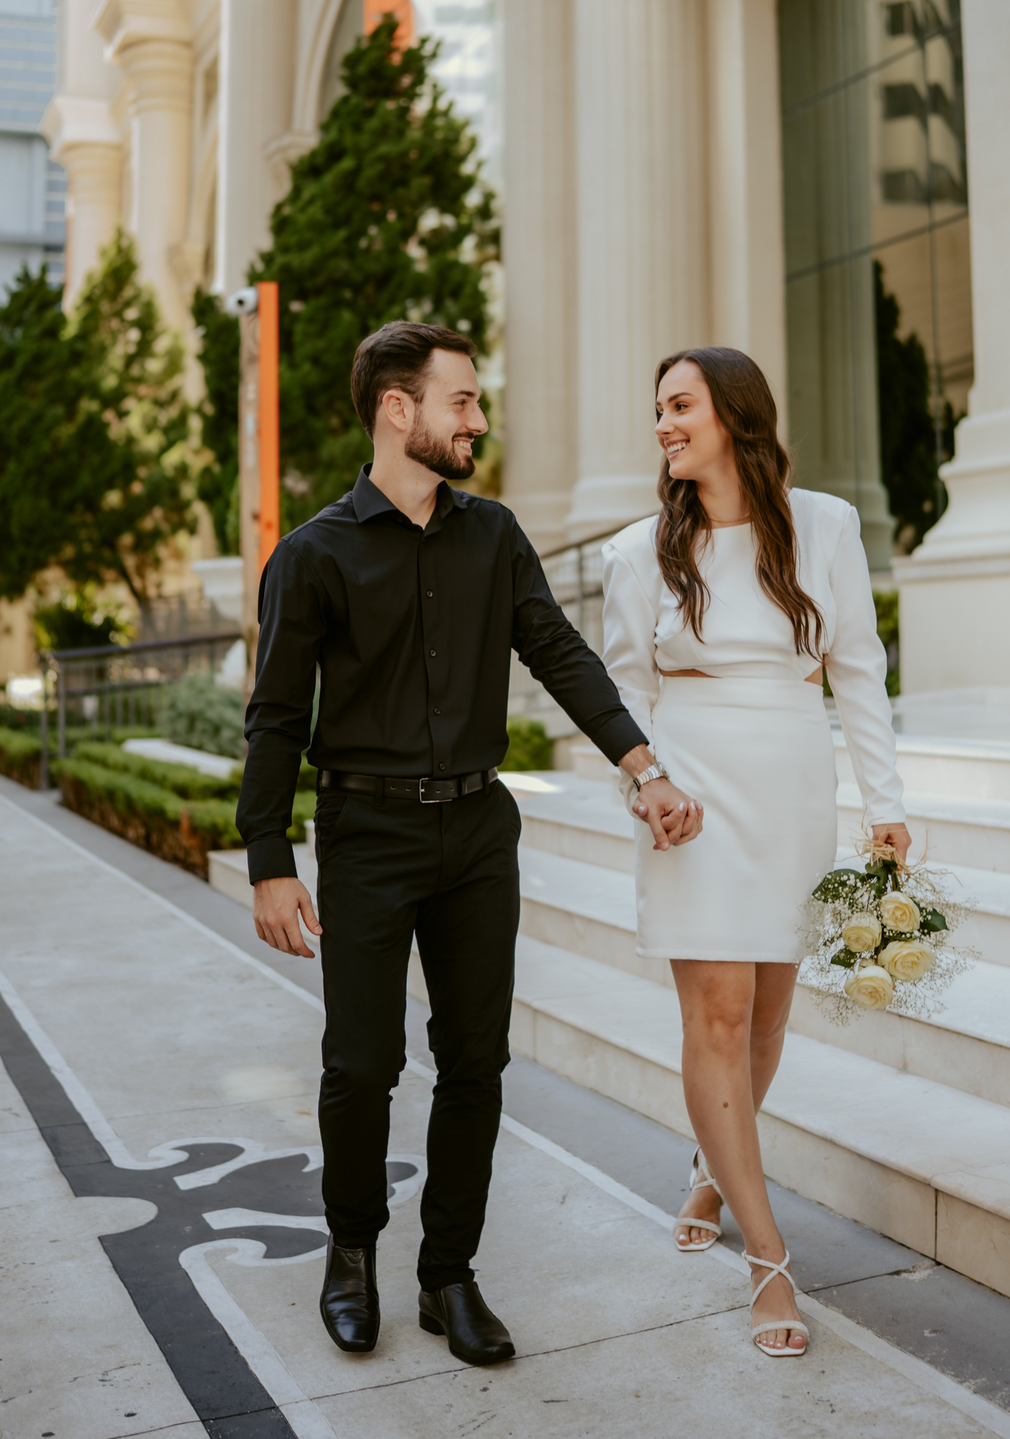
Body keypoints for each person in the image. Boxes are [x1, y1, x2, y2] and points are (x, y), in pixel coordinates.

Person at [236, 321, 702, 1367]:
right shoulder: (312, 555)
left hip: (478, 831)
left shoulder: (493, 534)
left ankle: (448, 1274)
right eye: (463, 403)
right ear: (398, 410)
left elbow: (559, 651)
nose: (478, 422)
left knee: (476, 1061)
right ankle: (350, 1254)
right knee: (362, 1064)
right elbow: (274, 716)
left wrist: (644, 766)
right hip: (365, 834)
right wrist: (268, 856)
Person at [600, 346, 910, 1357]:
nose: (663, 424)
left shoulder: (823, 525)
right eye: (658, 409)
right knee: (719, 1011)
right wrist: (646, 787)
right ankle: (768, 1257)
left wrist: (885, 808)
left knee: (769, 1015)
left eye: (679, 404)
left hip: (790, 787)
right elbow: (622, 698)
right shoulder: (637, 551)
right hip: (690, 790)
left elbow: (857, 670)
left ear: (732, 414)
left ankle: (711, 1172)